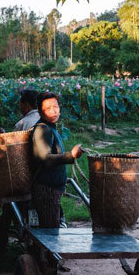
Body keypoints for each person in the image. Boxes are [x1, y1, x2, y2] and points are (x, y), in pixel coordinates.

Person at [0, 88, 40, 253]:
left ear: (26, 105)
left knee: (8, 206)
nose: (20, 107)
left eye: (21, 104)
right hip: (43, 175)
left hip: (24, 177)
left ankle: (0, 250)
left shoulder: (22, 124)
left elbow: (14, 152)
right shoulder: (46, 120)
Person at [31, 91, 84, 228]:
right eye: (48, 108)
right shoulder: (42, 130)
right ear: (40, 112)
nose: (53, 111)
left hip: (53, 188)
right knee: (50, 232)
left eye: (55, 106)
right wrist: (71, 155)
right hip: (46, 189)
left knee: (52, 227)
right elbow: (45, 158)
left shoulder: (51, 128)